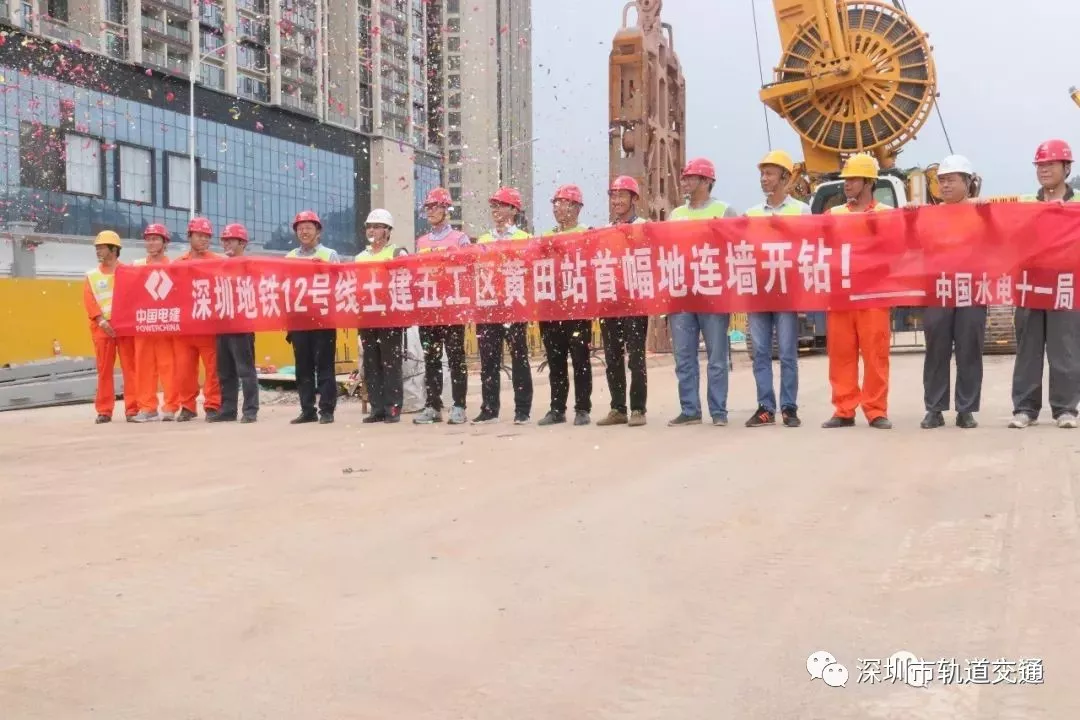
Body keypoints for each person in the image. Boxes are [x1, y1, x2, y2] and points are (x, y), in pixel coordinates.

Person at [1009, 139, 1080, 429]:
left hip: (1066, 285)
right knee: (1029, 349)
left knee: (1065, 348)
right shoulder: (1026, 203)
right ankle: (1025, 408)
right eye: (1040, 165)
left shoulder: (1077, 203)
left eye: (1050, 164)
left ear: (1066, 167)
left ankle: (1065, 409)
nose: (1044, 170)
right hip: (1030, 285)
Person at [821, 153, 894, 430]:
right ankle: (844, 410)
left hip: (874, 296)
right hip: (841, 296)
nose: (846, 184)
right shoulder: (833, 215)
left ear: (868, 182)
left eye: (852, 179)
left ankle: (876, 410)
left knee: (875, 355)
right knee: (841, 354)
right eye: (846, 179)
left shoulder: (887, 214)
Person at [667, 158, 740, 427]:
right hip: (682, 295)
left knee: (716, 357)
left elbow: (738, 247)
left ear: (707, 181)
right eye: (685, 178)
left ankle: (718, 411)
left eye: (691, 178)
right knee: (683, 357)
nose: (685, 182)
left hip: (713, 295)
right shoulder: (676, 215)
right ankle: (690, 409)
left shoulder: (724, 211)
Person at [745, 150, 812, 428]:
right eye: (762, 174)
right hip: (759, 293)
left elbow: (809, 249)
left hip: (787, 292)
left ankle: (788, 407)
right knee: (760, 352)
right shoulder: (751, 214)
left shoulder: (801, 211)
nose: (764, 179)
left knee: (786, 352)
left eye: (770, 174)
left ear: (785, 177)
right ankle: (765, 407)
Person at [921, 154, 985, 430]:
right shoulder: (930, 215)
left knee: (969, 349)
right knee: (937, 349)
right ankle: (934, 409)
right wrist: (910, 214)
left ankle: (966, 410)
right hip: (939, 290)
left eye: (951, 180)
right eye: (942, 181)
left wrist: (987, 212)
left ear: (968, 182)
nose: (945, 185)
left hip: (972, 289)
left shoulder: (982, 212)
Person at [473, 186, 534, 424]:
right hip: (488, 306)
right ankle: (489, 408)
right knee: (488, 359)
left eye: (501, 205)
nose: (496, 210)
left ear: (514, 210)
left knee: (519, 357)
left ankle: (522, 409)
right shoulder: (484, 240)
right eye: (494, 206)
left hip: (514, 306)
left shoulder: (524, 239)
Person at [413, 187, 471, 425]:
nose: (431, 211)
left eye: (435, 207)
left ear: (446, 209)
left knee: (456, 357)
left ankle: (459, 406)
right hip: (429, 309)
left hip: (452, 309)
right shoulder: (421, 242)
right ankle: (433, 406)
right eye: (428, 207)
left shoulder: (459, 239)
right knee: (431, 358)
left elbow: (468, 271)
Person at [597, 175, 650, 427]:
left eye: (622, 195)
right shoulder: (604, 230)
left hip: (635, 302)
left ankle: (638, 408)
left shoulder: (644, 227)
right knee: (613, 358)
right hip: (610, 301)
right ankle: (618, 408)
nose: (616, 201)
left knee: (636, 358)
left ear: (634, 198)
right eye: (613, 196)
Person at [538, 184, 593, 426]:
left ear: (577, 208)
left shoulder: (588, 234)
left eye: (564, 203)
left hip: (578, 308)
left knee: (580, 360)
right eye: (556, 203)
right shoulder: (545, 237)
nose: (558, 208)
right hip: (551, 308)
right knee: (555, 361)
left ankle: (582, 408)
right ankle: (557, 408)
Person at [285, 210, 341, 424]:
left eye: (309, 227)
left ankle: (327, 409)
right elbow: (284, 287)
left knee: (325, 366)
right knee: (303, 366)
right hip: (299, 320)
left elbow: (339, 283)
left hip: (323, 319)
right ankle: (307, 409)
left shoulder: (329, 255)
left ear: (318, 231)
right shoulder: (289, 258)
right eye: (300, 228)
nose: (304, 232)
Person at [356, 209, 409, 423]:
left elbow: (406, 281)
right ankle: (376, 408)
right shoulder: (360, 257)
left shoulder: (397, 253)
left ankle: (393, 408)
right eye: (369, 227)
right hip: (367, 317)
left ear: (388, 231)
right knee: (371, 363)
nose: (372, 230)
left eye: (377, 227)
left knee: (391, 363)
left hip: (390, 317)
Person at [83, 230, 138, 424]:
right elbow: (89, 300)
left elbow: (134, 298)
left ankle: (133, 409)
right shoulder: (92, 276)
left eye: (101, 247)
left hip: (125, 328)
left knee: (130, 368)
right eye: (97, 248)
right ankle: (104, 410)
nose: (98, 251)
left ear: (114, 250)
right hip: (102, 328)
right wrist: (101, 321)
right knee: (104, 370)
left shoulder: (128, 271)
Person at [209, 223, 259, 424]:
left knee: (245, 370)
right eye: (225, 241)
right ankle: (228, 409)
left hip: (242, 326)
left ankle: (250, 410)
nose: (227, 244)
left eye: (231, 240)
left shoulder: (250, 266)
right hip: (223, 324)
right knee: (225, 370)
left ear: (242, 243)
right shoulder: (219, 266)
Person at [129, 223, 179, 423]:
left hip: (165, 324)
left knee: (169, 367)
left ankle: (171, 406)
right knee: (144, 368)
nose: (151, 243)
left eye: (156, 239)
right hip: (143, 324)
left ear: (165, 243)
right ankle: (147, 408)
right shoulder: (137, 266)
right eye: (148, 239)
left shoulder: (174, 267)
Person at [174, 217, 221, 422]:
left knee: (213, 369)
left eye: (207, 236)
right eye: (199, 235)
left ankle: (213, 405)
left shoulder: (217, 262)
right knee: (184, 370)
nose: (203, 240)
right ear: (189, 237)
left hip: (208, 326)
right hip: (184, 327)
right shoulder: (178, 264)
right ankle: (187, 406)